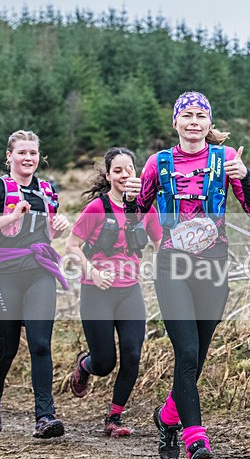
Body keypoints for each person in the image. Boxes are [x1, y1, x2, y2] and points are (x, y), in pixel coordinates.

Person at [136, 91, 250, 459]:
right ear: (175, 122)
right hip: (172, 266)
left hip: (214, 269)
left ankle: (167, 416)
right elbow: (134, 218)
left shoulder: (225, 160)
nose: (194, 122)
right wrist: (128, 201)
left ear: (210, 124)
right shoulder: (158, 164)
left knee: (196, 361)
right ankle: (197, 442)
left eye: (201, 116)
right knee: (186, 352)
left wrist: (246, 177)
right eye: (186, 115)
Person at [0, 130, 71, 439]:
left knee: (41, 343)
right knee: (8, 346)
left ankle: (44, 417)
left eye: (33, 153)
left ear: (40, 157)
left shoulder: (47, 190)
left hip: (39, 269)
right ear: (9, 156)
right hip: (4, 273)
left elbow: (48, 234)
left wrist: (60, 226)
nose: (28, 158)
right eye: (22, 152)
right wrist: (9, 216)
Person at [65, 147, 162, 438]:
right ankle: (85, 365)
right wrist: (92, 271)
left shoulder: (147, 209)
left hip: (129, 291)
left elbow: (160, 245)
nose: (124, 175)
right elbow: (71, 247)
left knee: (132, 354)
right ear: (108, 175)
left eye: (129, 169)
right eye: (117, 170)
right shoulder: (96, 208)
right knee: (105, 363)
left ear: (137, 173)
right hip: (97, 292)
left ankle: (114, 417)